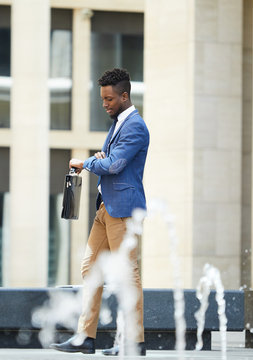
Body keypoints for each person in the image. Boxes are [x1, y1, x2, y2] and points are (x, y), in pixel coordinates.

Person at [50, 68, 149, 356]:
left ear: (124, 96)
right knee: (90, 269)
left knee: (127, 276)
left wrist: (88, 162)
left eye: (108, 98)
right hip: (106, 208)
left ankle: (135, 342)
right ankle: (85, 337)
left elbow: (115, 164)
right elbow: (111, 160)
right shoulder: (119, 123)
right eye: (102, 98)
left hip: (124, 212)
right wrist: (100, 159)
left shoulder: (135, 126)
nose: (104, 103)